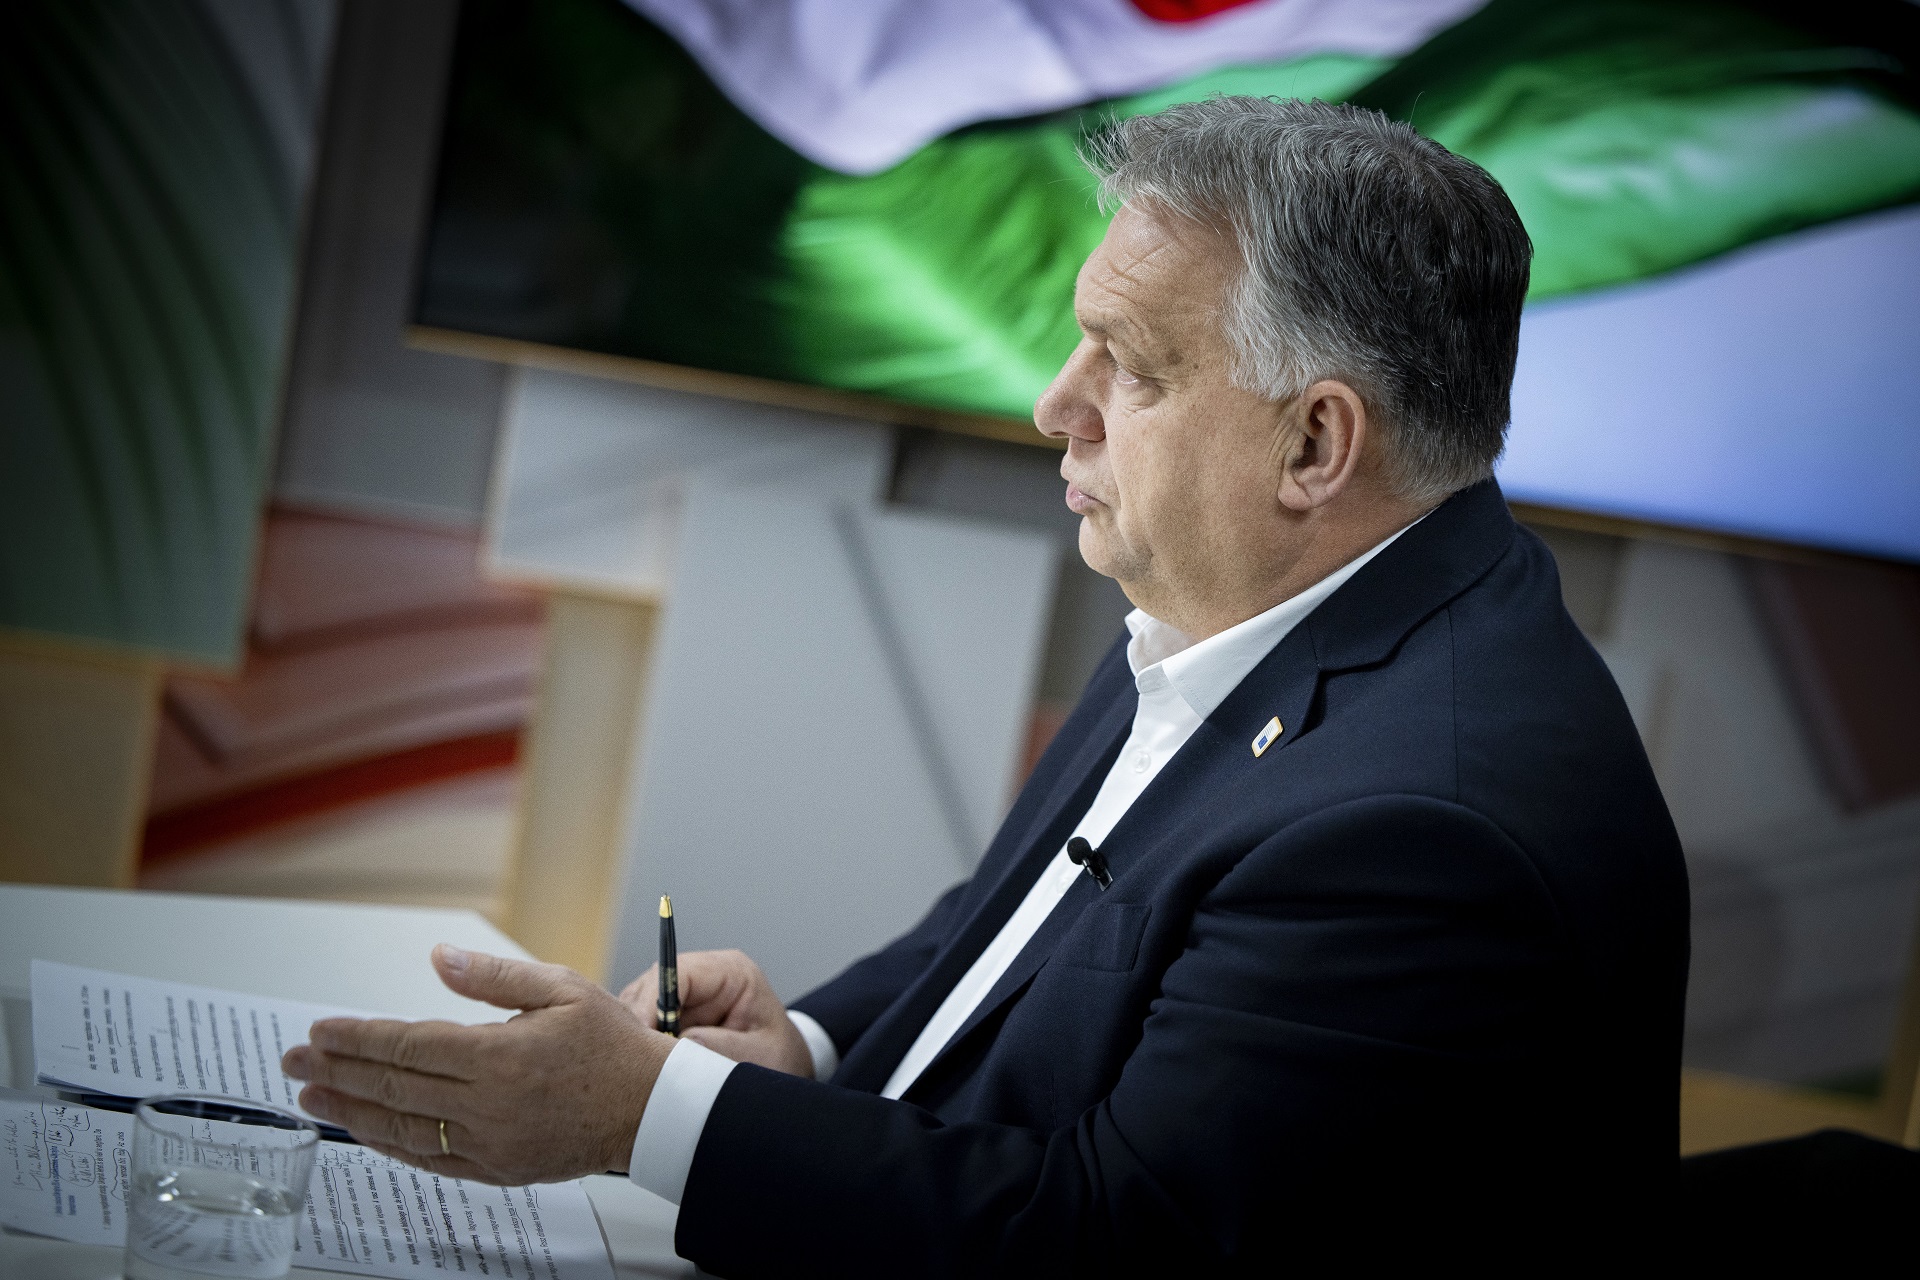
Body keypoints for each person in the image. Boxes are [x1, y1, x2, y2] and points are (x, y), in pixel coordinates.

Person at [282, 98, 1688, 1273]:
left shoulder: (1421, 835)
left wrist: (645, 1116)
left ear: (1315, 445)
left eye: (1131, 368)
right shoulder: (1261, 600)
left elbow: (1110, 1243)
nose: (1055, 405)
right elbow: (1013, 928)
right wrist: (807, 1052)